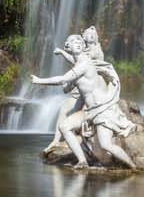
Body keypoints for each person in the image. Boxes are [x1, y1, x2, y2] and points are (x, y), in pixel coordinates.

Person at [31, 34, 136, 169]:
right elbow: (67, 87)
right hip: (90, 111)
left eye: (80, 41)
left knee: (106, 145)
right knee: (64, 126)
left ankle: (134, 168)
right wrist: (68, 83)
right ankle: (82, 161)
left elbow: (64, 79)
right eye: (74, 42)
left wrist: (39, 81)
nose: (79, 43)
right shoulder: (78, 66)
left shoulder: (86, 63)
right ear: (68, 47)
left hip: (102, 110)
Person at [48, 26, 105, 149]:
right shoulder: (83, 52)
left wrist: (39, 81)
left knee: (71, 112)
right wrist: (63, 52)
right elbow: (74, 60)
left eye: (93, 35)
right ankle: (57, 140)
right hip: (83, 87)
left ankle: (73, 139)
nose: (91, 36)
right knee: (64, 111)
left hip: (93, 89)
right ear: (84, 37)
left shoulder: (95, 51)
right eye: (88, 35)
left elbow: (77, 63)